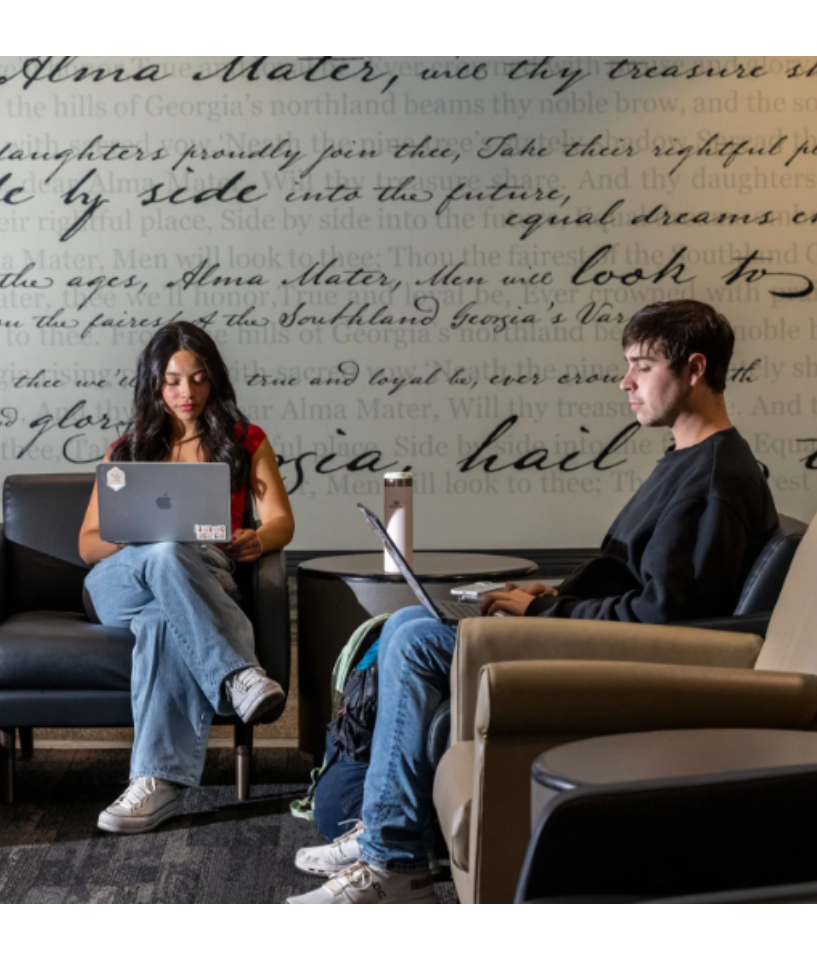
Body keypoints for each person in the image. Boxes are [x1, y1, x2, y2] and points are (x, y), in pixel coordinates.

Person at [289, 299, 779, 903]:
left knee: (414, 638)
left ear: (695, 369)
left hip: (610, 660)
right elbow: (638, 577)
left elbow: (664, 619)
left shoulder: (712, 483)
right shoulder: (688, 459)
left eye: (642, 366)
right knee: (410, 623)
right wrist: (552, 593)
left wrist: (543, 614)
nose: (625, 382)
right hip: (586, 633)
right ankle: (386, 840)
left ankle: (393, 860)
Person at [80, 321, 295, 834]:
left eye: (198, 379)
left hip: (202, 574)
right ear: (154, 383)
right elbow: (88, 544)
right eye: (174, 380)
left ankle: (157, 785)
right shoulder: (126, 450)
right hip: (120, 582)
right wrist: (146, 537)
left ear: (214, 380)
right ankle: (238, 673)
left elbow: (281, 519)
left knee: (161, 621)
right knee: (162, 551)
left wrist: (257, 540)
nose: (187, 392)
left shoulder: (244, 442)